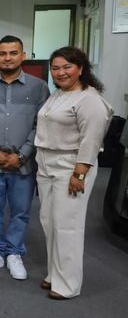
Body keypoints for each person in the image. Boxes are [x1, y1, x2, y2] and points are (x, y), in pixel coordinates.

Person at [35, 46, 112, 300]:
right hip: (46, 163)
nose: (61, 72)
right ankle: (53, 273)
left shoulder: (89, 99)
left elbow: (91, 140)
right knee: (49, 221)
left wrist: (79, 174)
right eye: (55, 68)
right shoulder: (58, 94)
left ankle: (67, 284)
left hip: (71, 166)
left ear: (80, 69)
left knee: (68, 225)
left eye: (67, 67)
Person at [0, 35, 50, 279]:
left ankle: (15, 252)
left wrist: (23, 154)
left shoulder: (39, 87)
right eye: (3, 53)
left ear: (22, 56)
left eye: (13, 53)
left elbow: (41, 126)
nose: (7, 58)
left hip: (22, 164)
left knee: (20, 212)